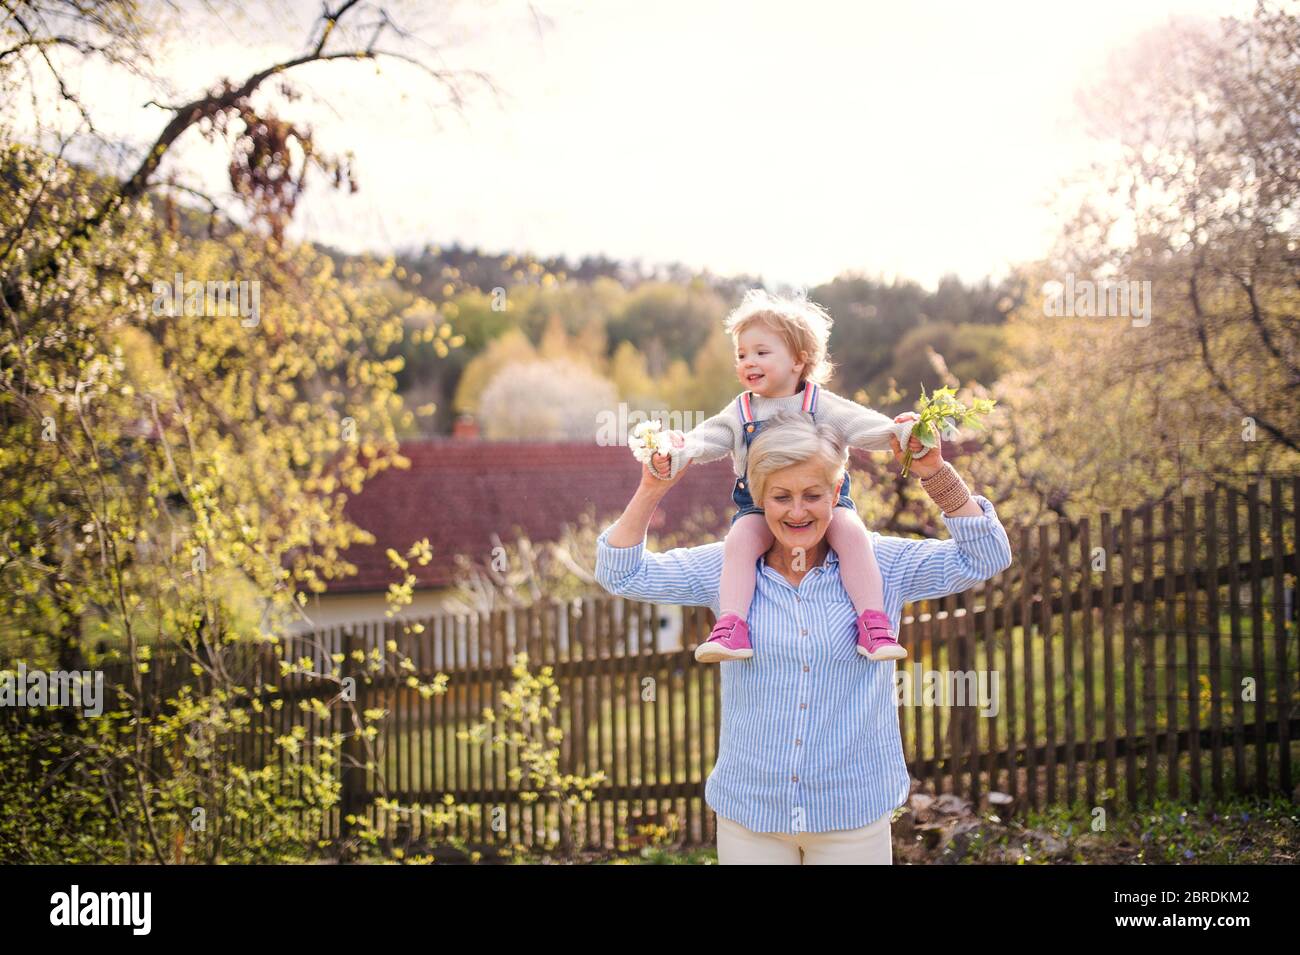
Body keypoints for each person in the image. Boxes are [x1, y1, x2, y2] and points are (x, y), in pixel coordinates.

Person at [595, 411, 1012, 864]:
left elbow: (987, 556)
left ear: (836, 492)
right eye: (781, 497)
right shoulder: (726, 567)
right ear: (759, 497)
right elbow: (621, 573)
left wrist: (934, 474)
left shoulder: (881, 564)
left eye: (813, 495)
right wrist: (652, 489)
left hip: (852, 815)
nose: (798, 512)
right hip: (752, 818)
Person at [644, 288, 918, 663]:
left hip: (826, 500)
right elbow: (709, 437)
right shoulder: (741, 411)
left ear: (798, 360)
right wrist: (680, 449)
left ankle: (873, 625)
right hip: (759, 506)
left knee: (852, 535)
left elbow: (863, 425)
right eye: (741, 354)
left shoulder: (819, 404)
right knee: (740, 540)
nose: (748, 361)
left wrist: (901, 433)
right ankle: (732, 627)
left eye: (761, 352)